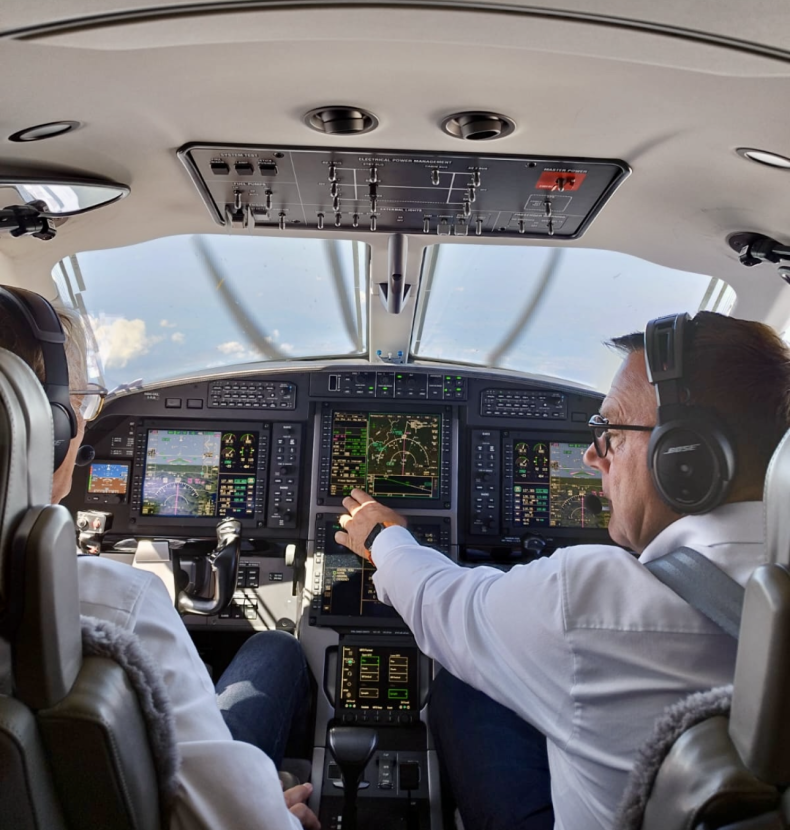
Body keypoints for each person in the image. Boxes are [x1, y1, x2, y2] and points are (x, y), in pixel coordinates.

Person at [335, 311, 790, 830]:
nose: (593, 456)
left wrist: (381, 538)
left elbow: (443, 605)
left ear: (685, 458)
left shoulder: (592, 598)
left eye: (611, 432)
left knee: (464, 685)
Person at [0, 286, 319, 830]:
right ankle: (283, 775)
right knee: (276, 648)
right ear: (42, 425)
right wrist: (266, 809)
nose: (81, 424)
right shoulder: (112, 602)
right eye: (80, 402)